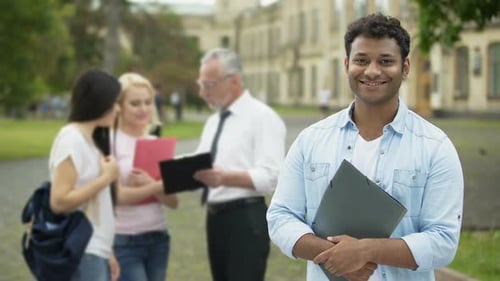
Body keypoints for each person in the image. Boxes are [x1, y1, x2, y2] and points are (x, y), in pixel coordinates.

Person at [267, 13, 464, 281]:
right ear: (347, 64)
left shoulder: (435, 147)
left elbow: (443, 241)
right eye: (361, 60)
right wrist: (336, 255)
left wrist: (364, 251)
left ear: (405, 67)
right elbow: (280, 216)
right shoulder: (311, 140)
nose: (372, 70)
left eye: (386, 61)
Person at [193, 48, 286, 281]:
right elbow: (199, 165)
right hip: (214, 219)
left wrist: (225, 178)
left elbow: (272, 177)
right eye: (200, 84)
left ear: (233, 80)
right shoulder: (213, 121)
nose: (202, 93)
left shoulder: (263, 118)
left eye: (209, 85)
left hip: (245, 220)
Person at [48, 69, 121, 281]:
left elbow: (99, 206)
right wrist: (106, 178)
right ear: (99, 102)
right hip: (82, 249)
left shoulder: (91, 141)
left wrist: (107, 250)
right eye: (114, 102)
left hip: (95, 249)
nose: (117, 109)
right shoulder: (71, 139)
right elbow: (59, 201)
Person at [113, 72, 178, 281]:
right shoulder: (110, 142)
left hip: (158, 237)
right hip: (124, 239)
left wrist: (152, 184)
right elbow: (118, 197)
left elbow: (173, 201)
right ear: (120, 106)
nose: (143, 109)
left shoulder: (156, 143)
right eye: (135, 103)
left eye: (148, 102)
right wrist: (156, 186)